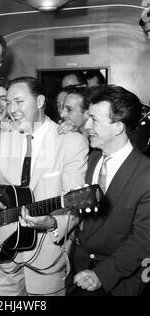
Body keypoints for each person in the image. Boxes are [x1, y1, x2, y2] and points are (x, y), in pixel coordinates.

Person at [0, 76, 89, 296]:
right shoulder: (4, 137)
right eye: (8, 102)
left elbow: (74, 201)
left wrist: (52, 223)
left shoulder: (72, 142)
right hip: (3, 251)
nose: (11, 109)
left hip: (47, 258)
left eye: (19, 101)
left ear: (41, 101)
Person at [67, 85, 150, 296]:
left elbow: (143, 241)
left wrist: (101, 275)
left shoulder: (145, 174)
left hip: (118, 281)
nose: (87, 125)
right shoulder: (91, 160)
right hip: (79, 271)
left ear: (118, 127)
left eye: (94, 119)